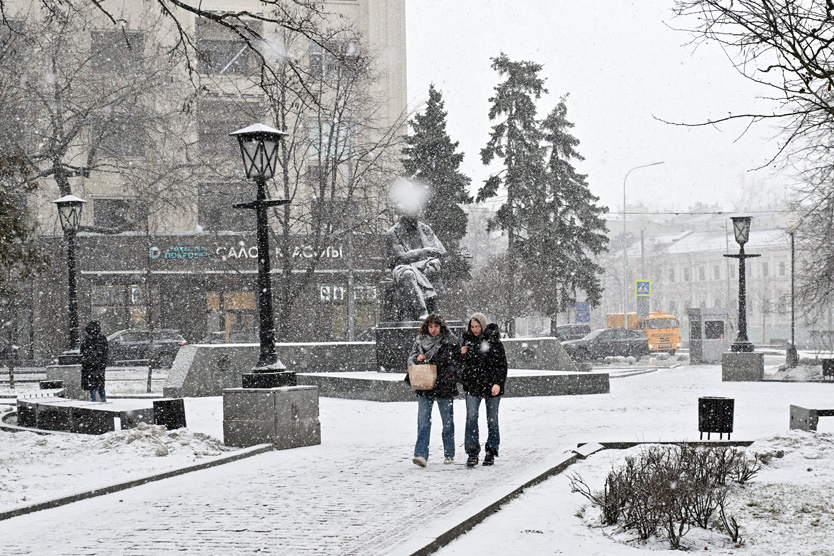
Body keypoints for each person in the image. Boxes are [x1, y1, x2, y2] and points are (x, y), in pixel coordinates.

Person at [406, 313, 460, 467]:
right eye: (430, 326)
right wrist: (417, 359)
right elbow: (411, 358)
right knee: (423, 421)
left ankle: (449, 453)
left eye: (436, 326)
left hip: (444, 386)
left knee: (447, 422)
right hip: (425, 385)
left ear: (441, 326)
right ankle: (421, 454)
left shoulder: (450, 341)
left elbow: (456, 363)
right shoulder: (420, 341)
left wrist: (449, 376)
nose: (433, 329)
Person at [460, 312, 507, 467]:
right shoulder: (466, 341)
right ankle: (472, 451)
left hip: (491, 385)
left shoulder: (493, 341)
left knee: (492, 419)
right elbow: (461, 364)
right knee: (471, 418)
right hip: (473, 386)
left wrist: (497, 383)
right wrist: (461, 355)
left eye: (477, 326)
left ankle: (491, 450)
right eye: (472, 326)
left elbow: (501, 365)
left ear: (483, 326)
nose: (474, 329)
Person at [386, 214, 447, 320]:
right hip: (401, 266)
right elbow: (401, 257)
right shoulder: (393, 232)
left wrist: (434, 259)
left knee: (432, 269)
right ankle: (422, 312)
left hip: (425, 264)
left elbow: (441, 250)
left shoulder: (425, 229)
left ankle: (432, 312)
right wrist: (424, 252)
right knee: (408, 274)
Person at [81, 320, 109, 402]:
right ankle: (103, 401)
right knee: (100, 386)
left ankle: (94, 403)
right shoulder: (102, 339)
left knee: (92, 387)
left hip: (89, 366)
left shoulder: (87, 340)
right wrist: (102, 363)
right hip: (99, 366)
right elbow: (105, 353)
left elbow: (82, 352)